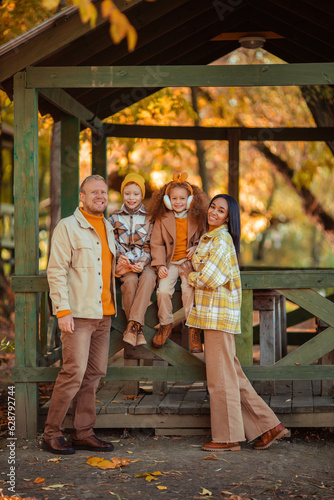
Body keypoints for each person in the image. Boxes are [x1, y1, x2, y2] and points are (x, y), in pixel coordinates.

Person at [186, 194, 288, 451]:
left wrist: (189, 276)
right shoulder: (212, 239)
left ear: (228, 218)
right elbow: (204, 264)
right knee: (233, 376)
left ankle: (227, 437)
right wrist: (196, 258)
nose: (213, 212)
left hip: (217, 316)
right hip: (215, 315)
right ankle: (269, 427)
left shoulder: (221, 239)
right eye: (213, 207)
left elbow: (209, 277)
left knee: (219, 379)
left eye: (220, 211)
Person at [43, 175, 116, 455]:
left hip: (104, 314)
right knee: (73, 373)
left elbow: (103, 269)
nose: (100, 195)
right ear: (82, 197)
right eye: (93, 191)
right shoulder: (68, 227)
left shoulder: (107, 227)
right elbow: (56, 271)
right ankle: (52, 433)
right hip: (78, 314)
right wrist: (63, 310)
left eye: (103, 191)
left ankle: (83, 432)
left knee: (94, 374)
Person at [148, 172, 208, 352]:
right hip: (170, 263)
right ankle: (165, 324)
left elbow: (205, 239)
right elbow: (156, 243)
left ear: (190, 200)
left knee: (189, 293)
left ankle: (193, 330)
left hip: (189, 263)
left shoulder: (197, 218)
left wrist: (196, 248)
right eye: (174, 198)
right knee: (163, 291)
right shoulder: (162, 219)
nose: (178, 202)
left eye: (182, 198)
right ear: (167, 200)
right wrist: (159, 266)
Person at [109, 173, 156, 346]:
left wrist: (142, 262)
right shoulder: (113, 217)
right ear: (122, 194)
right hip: (124, 264)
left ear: (142, 195)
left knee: (149, 278)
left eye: (136, 194)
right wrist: (124, 261)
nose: (131, 198)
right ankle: (138, 329)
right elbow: (112, 243)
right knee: (129, 283)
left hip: (145, 262)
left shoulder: (150, 217)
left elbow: (150, 244)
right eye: (127, 193)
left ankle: (133, 327)